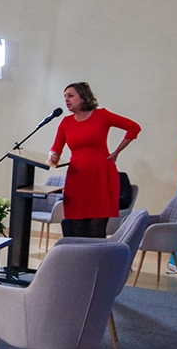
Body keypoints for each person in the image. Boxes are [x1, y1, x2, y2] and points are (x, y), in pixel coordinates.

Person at [49, 82, 141, 238]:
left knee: (96, 227)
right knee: (77, 226)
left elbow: (134, 127)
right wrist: (53, 155)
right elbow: (56, 148)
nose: (66, 100)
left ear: (83, 97)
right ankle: (79, 260)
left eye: (70, 96)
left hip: (100, 176)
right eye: (65, 97)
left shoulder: (102, 115)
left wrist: (117, 151)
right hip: (77, 178)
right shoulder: (65, 122)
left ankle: (97, 260)